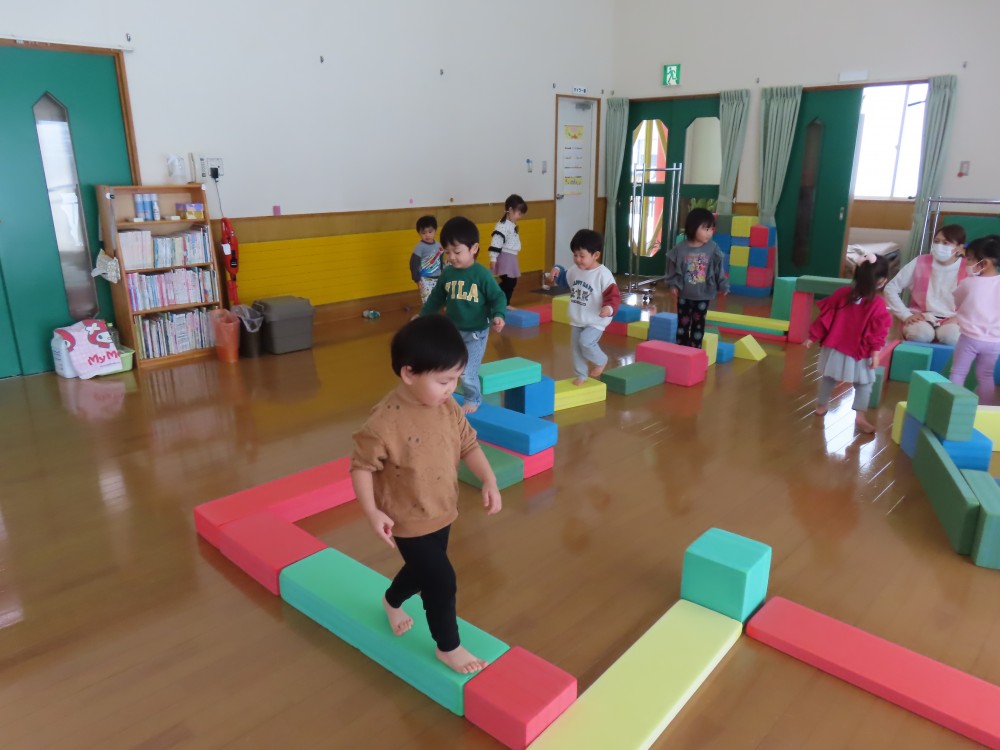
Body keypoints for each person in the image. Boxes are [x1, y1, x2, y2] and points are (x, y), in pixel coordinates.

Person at [350, 315, 502, 674]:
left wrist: (489, 479)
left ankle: (391, 601)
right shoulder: (383, 423)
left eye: (456, 379)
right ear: (409, 373)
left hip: (442, 508)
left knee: (423, 571)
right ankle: (448, 647)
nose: (452, 388)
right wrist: (372, 512)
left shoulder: (448, 407)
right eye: (444, 380)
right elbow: (361, 467)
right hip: (406, 516)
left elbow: (469, 446)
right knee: (441, 580)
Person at [420, 216, 506, 413]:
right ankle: (444, 394)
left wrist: (499, 315)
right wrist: (422, 316)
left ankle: (473, 399)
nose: (451, 257)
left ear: (474, 248)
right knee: (448, 366)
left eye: (457, 252)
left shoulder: (481, 274)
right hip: (453, 332)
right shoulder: (448, 273)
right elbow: (436, 298)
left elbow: (498, 297)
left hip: (476, 333)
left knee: (467, 371)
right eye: (447, 252)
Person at [804, 254, 892, 434]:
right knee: (864, 384)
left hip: (836, 347)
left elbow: (824, 319)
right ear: (882, 281)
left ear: (855, 273)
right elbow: (878, 332)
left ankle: (821, 406)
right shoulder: (877, 304)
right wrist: (875, 353)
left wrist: (812, 337)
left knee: (829, 378)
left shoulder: (842, 293)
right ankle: (860, 416)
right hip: (860, 352)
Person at [550, 229, 620, 384]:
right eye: (575, 255)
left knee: (585, 342)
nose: (577, 259)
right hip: (578, 318)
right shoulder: (574, 271)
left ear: (595, 255)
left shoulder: (603, 274)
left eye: (582, 256)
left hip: (596, 320)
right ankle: (581, 375)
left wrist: (608, 308)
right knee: (576, 349)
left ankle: (601, 360)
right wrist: (557, 270)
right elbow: (563, 279)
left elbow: (613, 296)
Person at [883, 225, 968, 345]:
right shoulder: (920, 262)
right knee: (920, 335)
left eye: (946, 243)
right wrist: (905, 315)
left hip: (952, 319)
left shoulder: (968, 268)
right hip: (921, 317)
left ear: (959, 247)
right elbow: (891, 288)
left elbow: (979, 300)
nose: (939, 246)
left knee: (952, 337)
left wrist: (961, 318)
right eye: (936, 241)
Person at [665, 208, 729, 348]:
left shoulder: (712, 248)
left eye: (711, 229)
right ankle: (681, 349)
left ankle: (695, 350)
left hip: (703, 296)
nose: (709, 233)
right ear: (693, 227)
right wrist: (673, 284)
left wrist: (722, 284)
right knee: (682, 324)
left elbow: (718, 269)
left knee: (698, 325)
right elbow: (672, 268)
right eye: (705, 229)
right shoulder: (680, 249)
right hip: (684, 295)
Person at [950, 234, 1000, 405]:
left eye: (970, 259)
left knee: (958, 373)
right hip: (994, 341)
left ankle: (953, 408)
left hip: (969, 338)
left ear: (984, 263)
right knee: (986, 375)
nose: (967, 263)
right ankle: (984, 409)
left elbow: (956, 301)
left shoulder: (969, 283)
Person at [489, 194, 528, 305]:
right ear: (510, 210)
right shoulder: (502, 225)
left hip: (511, 257)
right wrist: (493, 258)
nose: (520, 216)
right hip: (505, 257)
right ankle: (494, 297)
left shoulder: (511, 224)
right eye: (519, 213)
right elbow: (496, 242)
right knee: (509, 281)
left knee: (512, 282)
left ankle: (505, 303)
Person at [409, 215, 444, 304]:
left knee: (440, 298)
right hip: (424, 279)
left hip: (438, 277)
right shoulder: (419, 247)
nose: (427, 235)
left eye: (430, 231)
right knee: (428, 301)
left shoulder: (439, 245)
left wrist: (443, 273)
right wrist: (417, 279)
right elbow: (413, 263)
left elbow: (441, 260)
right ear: (419, 233)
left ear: (435, 230)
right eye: (423, 233)